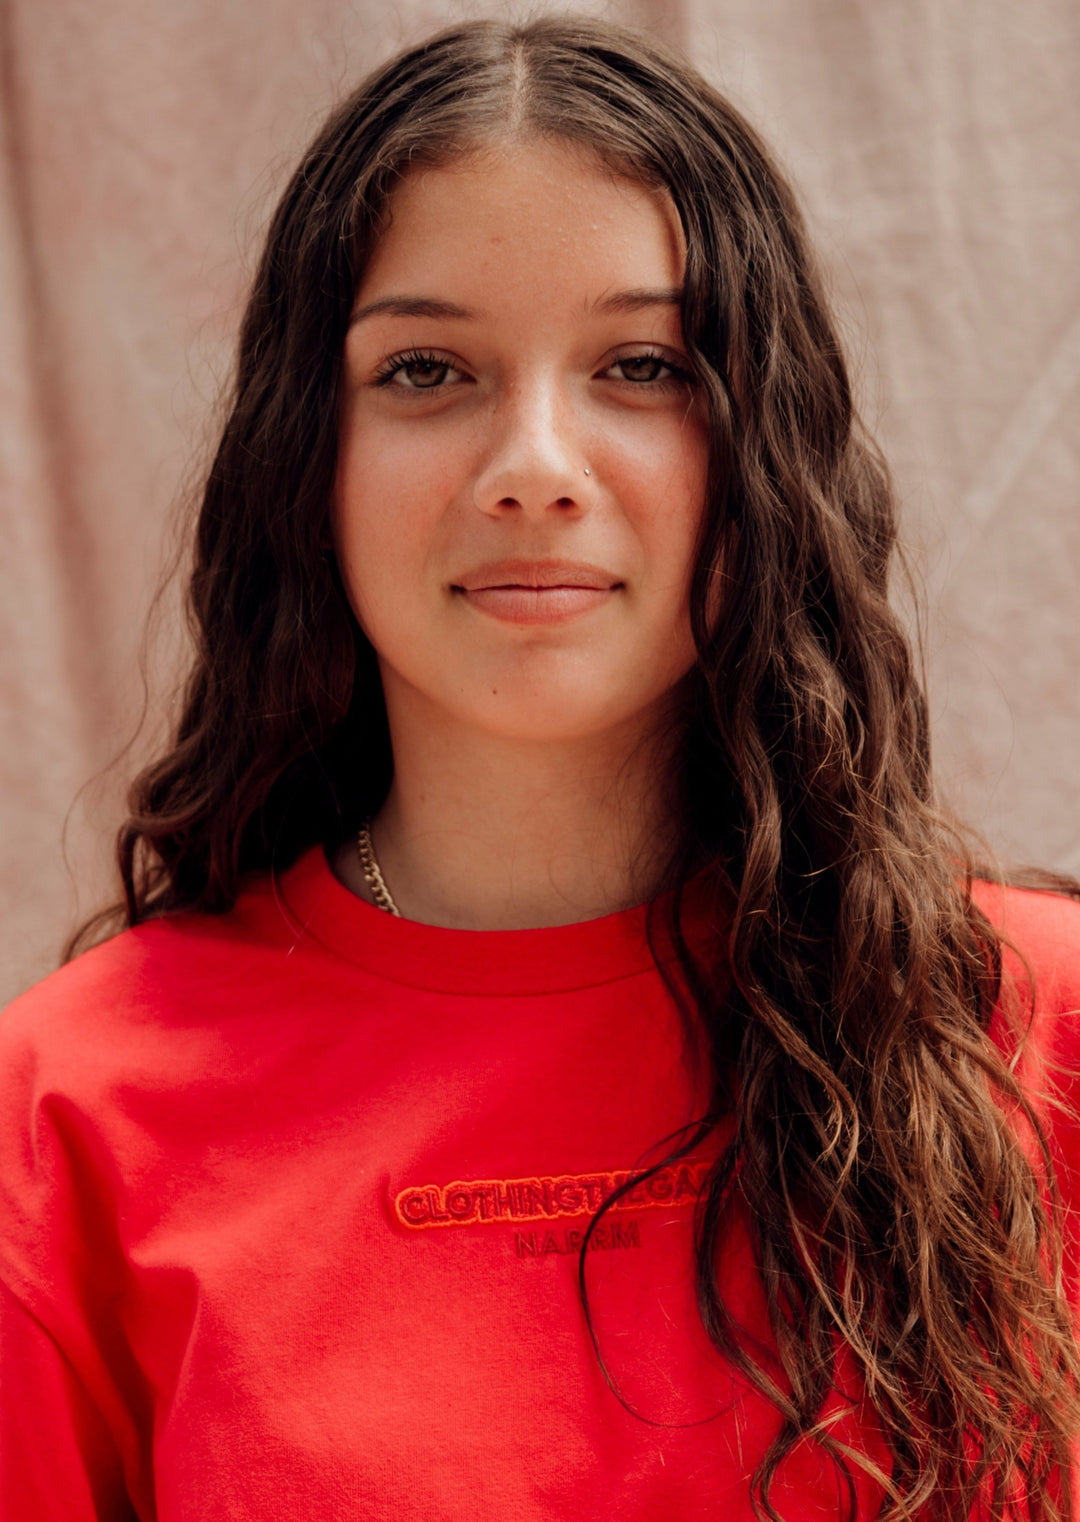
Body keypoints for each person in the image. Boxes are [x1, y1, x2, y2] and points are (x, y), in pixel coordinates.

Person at [2, 14, 1079, 1520]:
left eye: (642, 362)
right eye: (427, 368)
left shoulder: (1040, 1034)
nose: (534, 461)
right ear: (304, 458)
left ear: (763, 444)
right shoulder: (65, 1118)